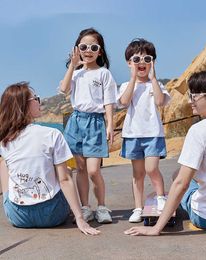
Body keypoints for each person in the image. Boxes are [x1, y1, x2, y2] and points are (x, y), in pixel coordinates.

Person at [124, 69, 206, 235]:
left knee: (177, 175)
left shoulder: (198, 130)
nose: (190, 101)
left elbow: (182, 183)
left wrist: (156, 228)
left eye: (194, 96)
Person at [0, 82, 99, 235]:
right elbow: (64, 180)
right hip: (53, 215)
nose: (40, 102)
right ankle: (73, 210)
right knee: (65, 170)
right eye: (36, 99)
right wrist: (80, 218)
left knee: (3, 164)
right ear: (24, 105)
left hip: (19, 217)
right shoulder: (52, 134)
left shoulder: (5, 141)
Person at [59, 28, 117, 224]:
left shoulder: (104, 73)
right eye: (84, 46)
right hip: (76, 121)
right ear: (77, 49)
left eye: (93, 47)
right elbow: (63, 89)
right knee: (80, 169)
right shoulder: (76, 73)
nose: (88, 50)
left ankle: (101, 206)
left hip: (95, 122)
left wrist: (110, 125)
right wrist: (72, 66)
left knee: (94, 170)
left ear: (100, 51)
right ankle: (85, 207)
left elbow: (109, 101)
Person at [117, 38, 171, 223]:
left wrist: (153, 78)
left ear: (153, 63)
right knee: (137, 174)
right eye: (136, 59)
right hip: (133, 135)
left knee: (152, 168)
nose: (142, 63)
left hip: (153, 134)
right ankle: (138, 208)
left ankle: (161, 197)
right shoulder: (126, 85)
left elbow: (160, 101)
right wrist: (133, 78)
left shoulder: (156, 85)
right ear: (129, 63)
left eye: (147, 59)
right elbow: (123, 102)